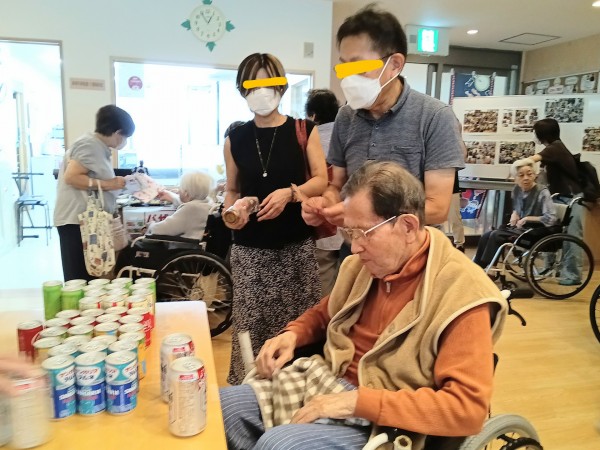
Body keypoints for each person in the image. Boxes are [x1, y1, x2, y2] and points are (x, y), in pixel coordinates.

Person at [220, 161, 507, 450]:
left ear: (407, 226)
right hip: (329, 380)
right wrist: (293, 334)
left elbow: (467, 410)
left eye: (364, 233)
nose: (355, 247)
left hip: (387, 417)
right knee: (222, 410)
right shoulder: (364, 266)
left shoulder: (463, 293)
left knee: (280, 445)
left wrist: (357, 401)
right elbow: (328, 312)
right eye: (350, 232)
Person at [301, 5, 465, 233]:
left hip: (410, 248)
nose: (349, 79)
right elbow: (337, 185)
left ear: (395, 65)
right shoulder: (346, 116)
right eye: (344, 68)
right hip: (355, 244)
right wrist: (324, 204)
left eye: (359, 68)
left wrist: (363, 213)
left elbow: (437, 208)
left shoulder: (435, 117)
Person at [223, 53, 328, 385]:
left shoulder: (303, 130)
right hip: (249, 253)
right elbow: (232, 189)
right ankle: (248, 397)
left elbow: (321, 180)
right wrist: (232, 214)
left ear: (281, 86)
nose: (261, 91)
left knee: (298, 329)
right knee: (250, 331)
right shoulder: (235, 139)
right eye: (252, 85)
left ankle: (297, 394)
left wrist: (291, 193)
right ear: (242, 90)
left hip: (295, 250)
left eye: (268, 83)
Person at [54, 105, 134, 281]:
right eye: (125, 137)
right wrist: (109, 184)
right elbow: (72, 177)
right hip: (77, 222)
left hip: (84, 222)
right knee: (80, 279)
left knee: (89, 276)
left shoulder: (97, 147)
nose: (124, 141)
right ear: (117, 132)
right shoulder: (90, 145)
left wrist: (114, 184)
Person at [518, 118, 583, 285]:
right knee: (550, 231)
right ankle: (550, 267)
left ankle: (573, 275)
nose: (534, 135)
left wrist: (516, 169)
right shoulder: (553, 149)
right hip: (559, 196)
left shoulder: (555, 148)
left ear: (543, 134)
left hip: (571, 198)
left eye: (535, 132)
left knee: (571, 237)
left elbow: (529, 161)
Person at [473, 159, 557, 269]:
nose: (526, 178)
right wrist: (515, 213)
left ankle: (491, 268)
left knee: (496, 235)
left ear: (535, 175)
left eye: (529, 174)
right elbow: (518, 207)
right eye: (521, 175)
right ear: (515, 178)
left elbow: (551, 218)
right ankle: (477, 266)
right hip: (521, 229)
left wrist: (528, 218)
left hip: (536, 232)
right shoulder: (517, 190)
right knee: (486, 235)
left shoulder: (542, 192)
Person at [305, 88, 344, 295]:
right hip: (353, 221)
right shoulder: (347, 133)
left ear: (312, 115)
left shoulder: (309, 139)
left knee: (323, 282)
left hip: (321, 220)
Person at [148, 171, 214, 240]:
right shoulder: (208, 203)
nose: (178, 191)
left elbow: (159, 230)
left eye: (180, 188)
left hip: (185, 245)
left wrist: (150, 225)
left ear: (186, 192)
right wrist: (172, 196)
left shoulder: (190, 209)